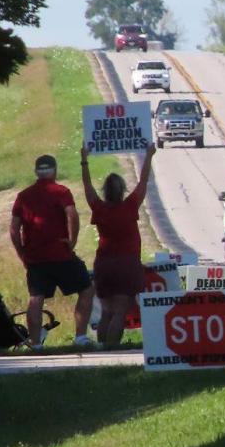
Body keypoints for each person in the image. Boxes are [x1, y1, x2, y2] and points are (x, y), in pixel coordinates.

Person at [10, 153, 96, 349]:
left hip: (35, 257)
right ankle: (80, 337)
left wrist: (21, 253)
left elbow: (14, 229)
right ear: (54, 171)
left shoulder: (23, 196)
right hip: (61, 253)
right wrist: (72, 241)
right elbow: (72, 214)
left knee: (36, 298)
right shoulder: (61, 192)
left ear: (36, 172)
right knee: (86, 289)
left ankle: (35, 343)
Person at [81, 142, 155, 347]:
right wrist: (149, 155)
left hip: (104, 264)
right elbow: (143, 182)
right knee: (121, 311)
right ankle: (112, 351)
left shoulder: (99, 208)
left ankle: (102, 351)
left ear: (105, 191)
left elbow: (87, 188)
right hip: (126, 264)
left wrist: (84, 160)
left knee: (106, 311)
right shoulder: (130, 206)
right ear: (122, 190)